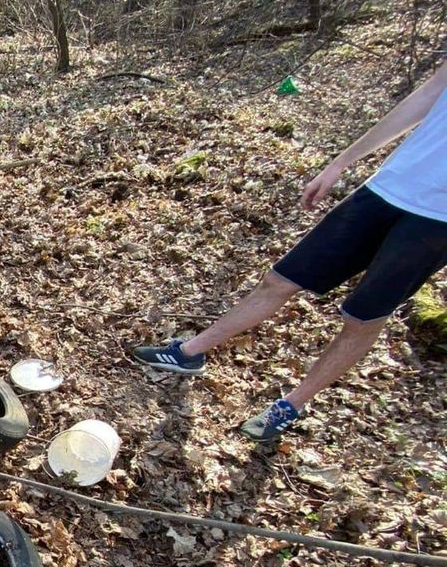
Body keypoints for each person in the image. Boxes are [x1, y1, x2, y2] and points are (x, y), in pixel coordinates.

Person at [133, 59, 447, 441]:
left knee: (364, 316)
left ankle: (291, 405)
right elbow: (427, 95)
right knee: (280, 279)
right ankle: (190, 352)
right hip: (386, 189)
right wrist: (342, 161)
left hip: (437, 220)